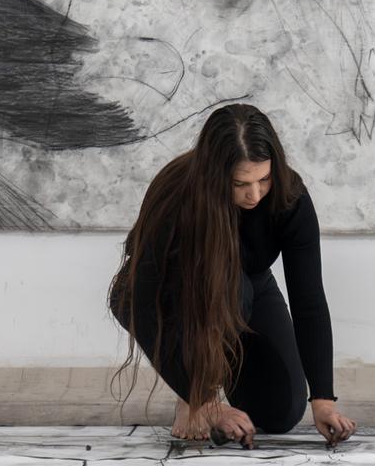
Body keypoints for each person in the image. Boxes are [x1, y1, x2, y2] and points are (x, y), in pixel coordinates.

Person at [109, 103, 356, 448]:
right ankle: (195, 390)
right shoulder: (176, 193)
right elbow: (130, 299)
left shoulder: (290, 197)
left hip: (251, 286)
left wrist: (323, 399)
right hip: (183, 291)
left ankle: (218, 379)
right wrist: (202, 400)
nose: (254, 195)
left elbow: (308, 300)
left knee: (280, 413)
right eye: (240, 183)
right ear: (214, 176)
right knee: (232, 290)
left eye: (263, 179)